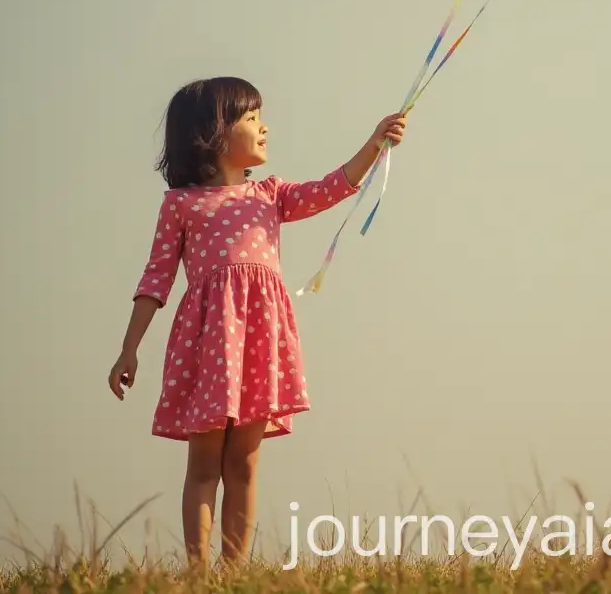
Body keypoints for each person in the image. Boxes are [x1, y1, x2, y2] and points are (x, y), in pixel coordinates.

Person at [107, 76, 406, 569]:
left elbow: (331, 188)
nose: (264, 128)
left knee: (244, 463)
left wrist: (374, 143)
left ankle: (234, 572)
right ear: (214, 132)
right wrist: (128, 348)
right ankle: (200, 573)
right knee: (204, 463)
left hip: (259, 341)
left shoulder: (270, 195)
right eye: (251, 118)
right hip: (206, 343)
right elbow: (155, 280)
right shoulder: (181, 204)